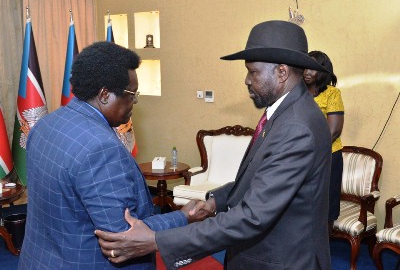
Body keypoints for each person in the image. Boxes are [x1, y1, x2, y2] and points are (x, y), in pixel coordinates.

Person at [95, 20, 333, 270]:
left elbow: (252, 216)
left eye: (253, 72)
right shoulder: (287, 113)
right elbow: (257, 182)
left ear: (281, 72)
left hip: (283, 261)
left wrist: (157, 240)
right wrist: (215, 201)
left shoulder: (295, 126)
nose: (247, 81)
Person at [18, 41, 209, 270]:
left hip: (39, 260)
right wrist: (184, 216)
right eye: (131, 94)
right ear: (105, 95)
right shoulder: (100, 148)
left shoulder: (45, 125)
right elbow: (123, 238)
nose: (135, 102)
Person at [303, 50, 345, 229]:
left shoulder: (331, 93)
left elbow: (334, 131)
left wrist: (309, 149)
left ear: (322, 71)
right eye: (304, 67)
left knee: (325, 206)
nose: (307, 72)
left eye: (312, 68)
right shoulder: (297, 93)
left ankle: (322, 251)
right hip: (301, 155)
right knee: (303, 204)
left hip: (327, 157)